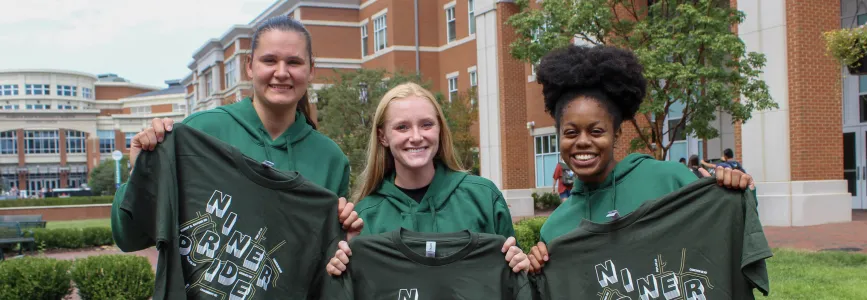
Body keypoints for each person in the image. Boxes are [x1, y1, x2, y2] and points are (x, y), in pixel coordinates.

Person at [111, 16, 362, 252]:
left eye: (294, 62)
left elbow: (327, 257)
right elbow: (130, 237)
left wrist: (346, 238)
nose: (282, 72)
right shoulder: (201, 131)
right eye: (270, 60)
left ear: (311, 70)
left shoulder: (330, 159)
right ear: (250, 67)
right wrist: (140, 171)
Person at [526, 44, 754, 273]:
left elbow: (727, 238)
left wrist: (735, 190)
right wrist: (537, 269)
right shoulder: (555, 230)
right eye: (571, 132)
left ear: (616, 134)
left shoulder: (670, 180)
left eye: (596, 131)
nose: (583, 141)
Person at [324, 82, 530, 276]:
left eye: (426, 124)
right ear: (382, 137)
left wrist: (523, 266)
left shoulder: (483, 197)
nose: (415, 136)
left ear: (440, 130)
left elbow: (513, 280)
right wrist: (341, 268)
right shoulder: (365, 217)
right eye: (402, 127)